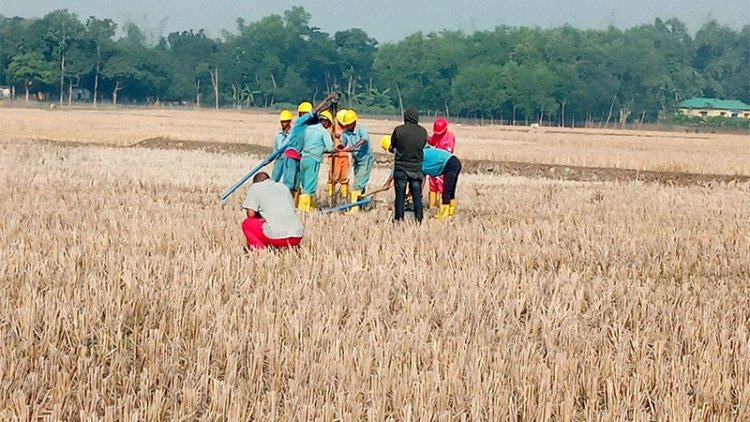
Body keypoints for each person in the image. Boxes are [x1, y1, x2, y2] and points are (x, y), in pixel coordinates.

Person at [380, 139, 462, 221]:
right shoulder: (417, 156)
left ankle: (444, 216)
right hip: (453, 162)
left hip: (450, 163)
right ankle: (450, 212)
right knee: (450, 191)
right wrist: (414, 193)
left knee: (447, 192)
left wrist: (389, 183)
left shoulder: (415, 158)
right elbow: (422, 178)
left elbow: (398, 168)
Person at [282, 95, 337, 204]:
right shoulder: (300, 122)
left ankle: (295, 206)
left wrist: (330, 108)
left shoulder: (310, 126)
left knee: (297, 185)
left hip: (301, 157)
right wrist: (326, 99)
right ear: (302, 114)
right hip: (292, 156)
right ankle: (284, 204)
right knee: (289, 184)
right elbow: (314, 112)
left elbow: (319, 117)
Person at [381, 108, 427, 222]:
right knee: (417, 195)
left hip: (401, 167)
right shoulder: (423, 132)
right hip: (416, 167)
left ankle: (398, 219)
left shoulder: (399, 130)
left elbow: (393, 145)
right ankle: (419, 219)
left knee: (400, 196)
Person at [241, 172, 304, 250]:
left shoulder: (255, 187)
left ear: (255, 182)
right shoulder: (284, 187)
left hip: (276, 237)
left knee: (247, 224)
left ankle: (260, 252)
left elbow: (251, 214)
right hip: (297, 236)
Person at [298, 110, 335, 212]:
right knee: (310, 186)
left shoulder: (308, 129)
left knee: (304, 183)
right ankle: (304, 208)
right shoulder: (323, 132)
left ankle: (309, 206)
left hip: (303, 158)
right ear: (326, 122)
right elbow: (330, 148)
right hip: (313, 159)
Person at [338, 109, 373, 214]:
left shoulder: (360, 129)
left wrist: (353, 147)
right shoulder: (345, 133)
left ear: (354, 122)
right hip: (357, 160)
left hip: (366, 159)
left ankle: (355, 208)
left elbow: (364, 139)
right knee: (359, 182)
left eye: (348, 124)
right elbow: (342, 143)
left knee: (358, 184)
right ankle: (360, 203)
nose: (347, 126)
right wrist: (339, 147)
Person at [427, 117, 456, 209]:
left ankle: (441, 205)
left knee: (441, 185)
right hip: (434, 163)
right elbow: (433, 141)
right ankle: (432, 205)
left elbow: (448, 152)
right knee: (432, 183)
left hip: (443, 164)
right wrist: (426, 138)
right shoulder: (436, 135)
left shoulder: (449, 137)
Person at [327, 108, 351, 203]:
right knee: (333, 177)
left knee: (344, 178)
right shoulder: (333, 126)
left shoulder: (348, 128)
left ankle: (344, 198)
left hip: (344, 155)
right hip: (334, 156)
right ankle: (330, 197)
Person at [271, 109, 293, 182]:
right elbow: (275, 147)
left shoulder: (293, 134)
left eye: (285, 121)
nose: (283, 123)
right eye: (282, 121)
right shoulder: (278, 135)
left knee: (288, 181)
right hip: (279, 158)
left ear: (289, 122)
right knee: (274, 179)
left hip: (289, 159)